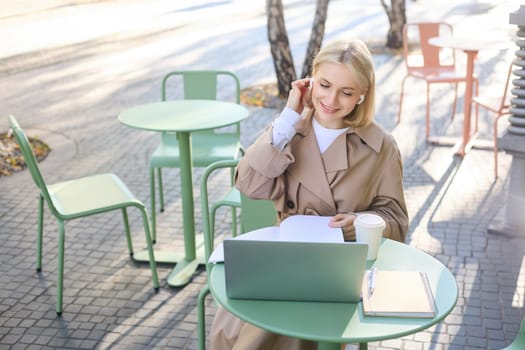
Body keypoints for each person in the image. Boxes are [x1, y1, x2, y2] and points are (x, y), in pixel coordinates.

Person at [210, 38, 409, 350]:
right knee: (253, 331)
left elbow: (396, 221)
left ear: (362, 94)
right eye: (325, 85)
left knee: (294, 332)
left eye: (346, 91)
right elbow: (248, 183)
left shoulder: (381, 146)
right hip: (284, 259)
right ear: (310, 81)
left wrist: (359, 223)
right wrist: (290, 113)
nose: (331, 99)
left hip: (338, 272)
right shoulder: (289, 130)